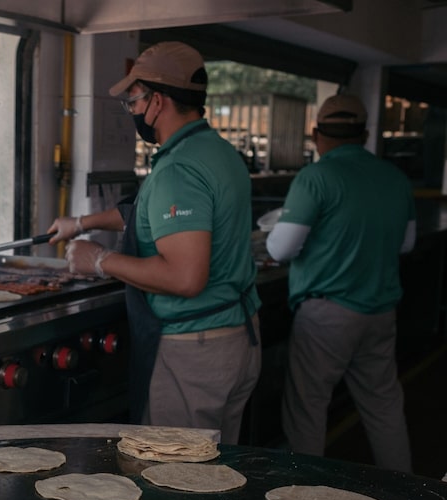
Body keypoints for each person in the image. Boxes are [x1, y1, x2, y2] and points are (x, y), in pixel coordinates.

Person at [47, 41, 261, 445]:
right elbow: (150, 213)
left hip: (194, 348)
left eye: (133, 103)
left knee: (177, 481)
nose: (133, 114)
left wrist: (100, 260)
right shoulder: (217, 153)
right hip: (237, 335)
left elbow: (185, 277)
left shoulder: (178, 168)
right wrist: (81, 222)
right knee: (215, 473)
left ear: (157, 101)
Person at [266, 93, 416, 472]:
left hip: (327, 314)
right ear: (364, 134)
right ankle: (409, 492)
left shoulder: (317, 176)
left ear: (316, 135)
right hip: (380, 311)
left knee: (308, 406)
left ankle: (305, 496)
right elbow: (407, 243)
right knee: (383, 403)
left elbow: (281, 249)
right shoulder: (394, 178)